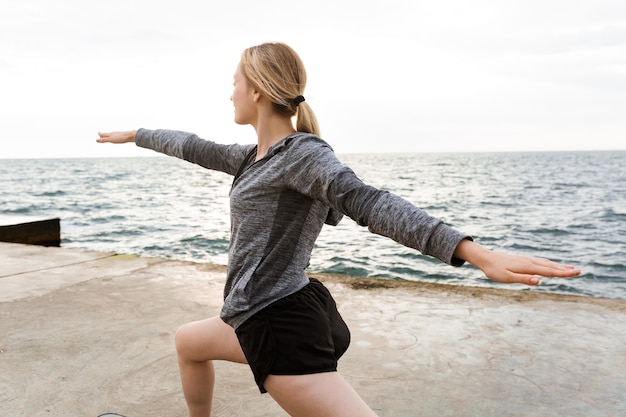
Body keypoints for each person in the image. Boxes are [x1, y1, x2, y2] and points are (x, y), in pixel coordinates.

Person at [97, 42, 580, 417]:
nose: (230, 93)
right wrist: (135, 134)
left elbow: (369, 202)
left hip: (278, 327)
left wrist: (471, 252)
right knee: (188, 341)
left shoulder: (304, 156)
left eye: (235, 83)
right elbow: (191, 145)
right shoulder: (252, 158)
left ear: (258, 91)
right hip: (254, 314)